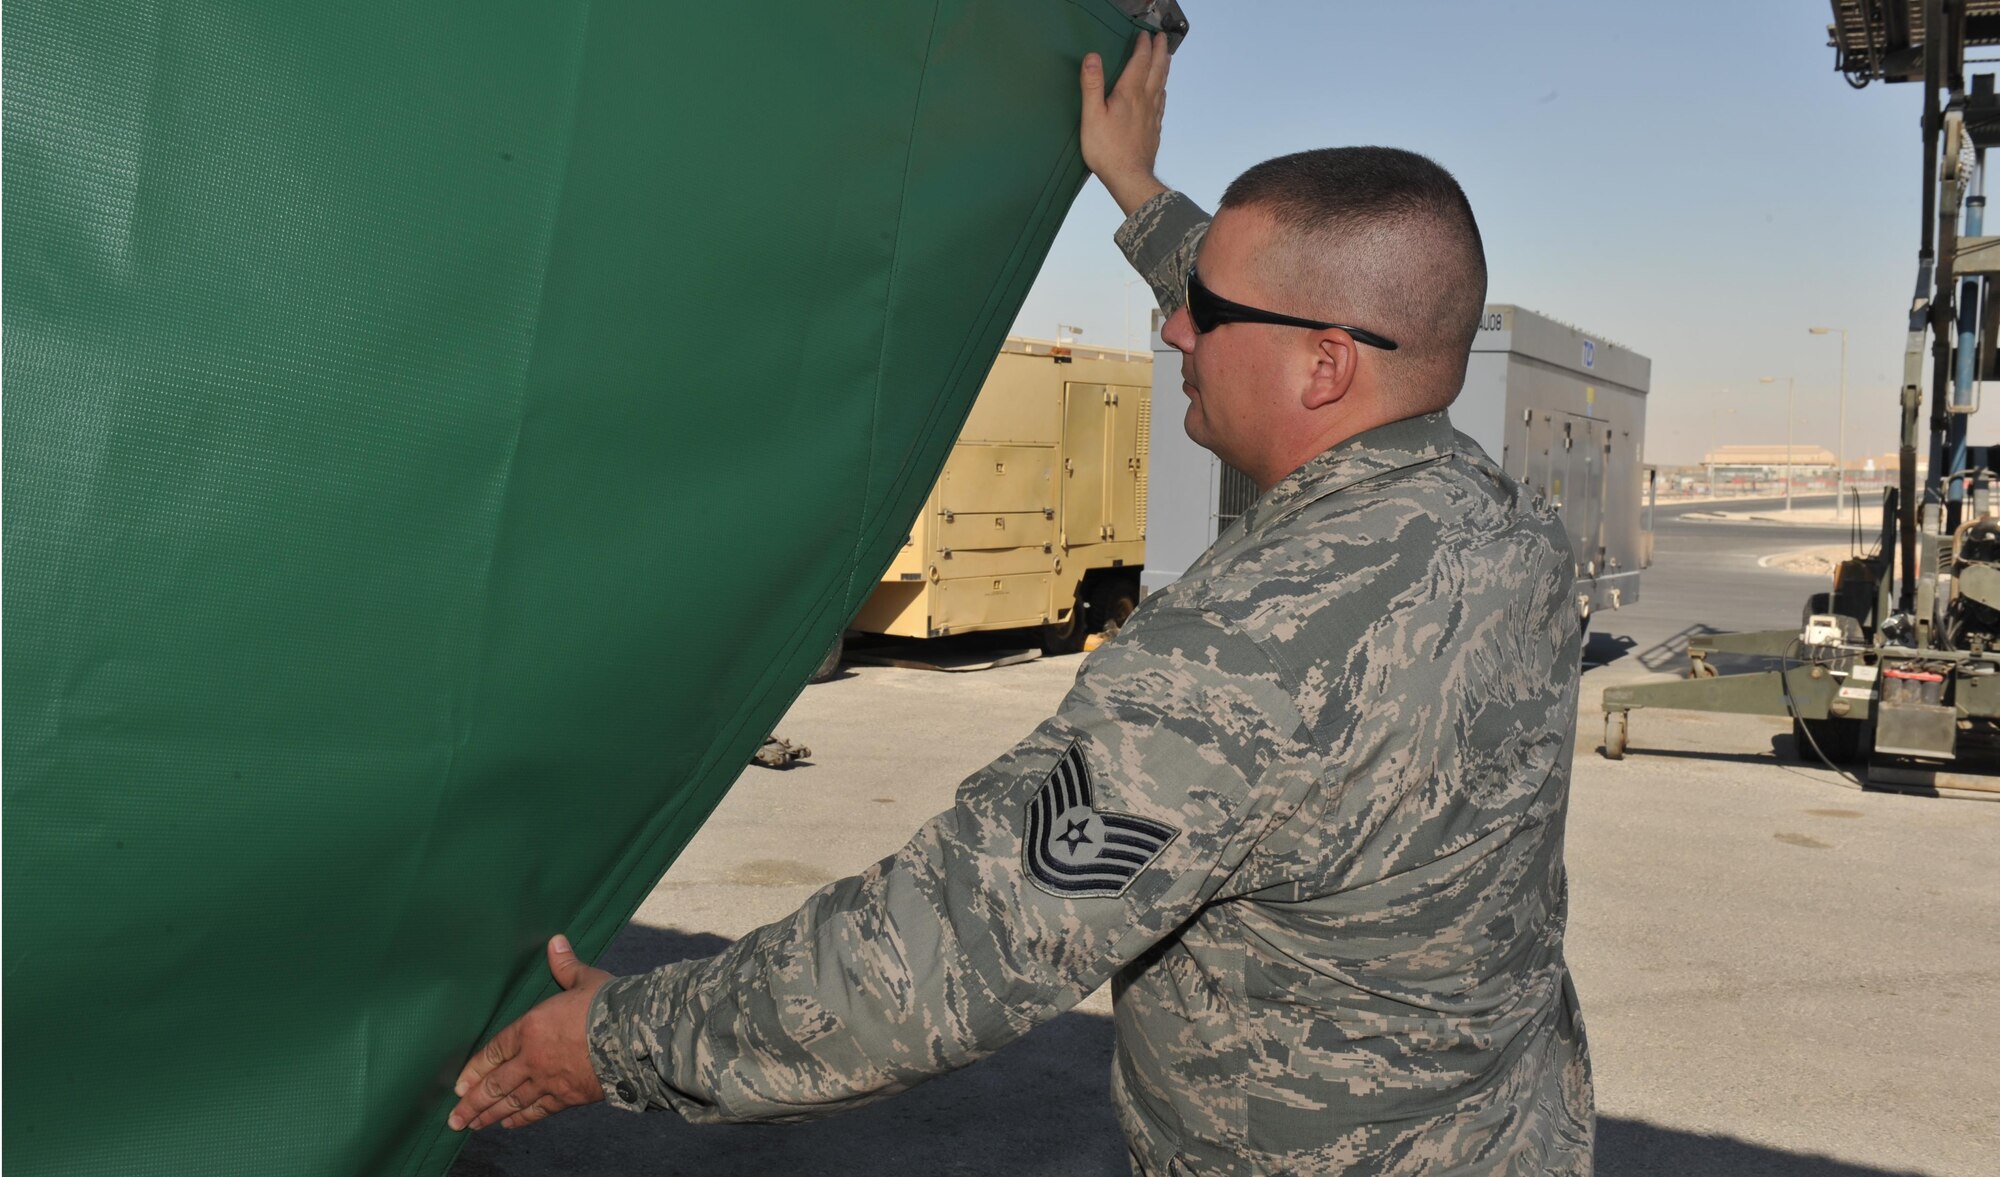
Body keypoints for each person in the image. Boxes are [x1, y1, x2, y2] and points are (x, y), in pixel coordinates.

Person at [447, 31, 1593, 1174]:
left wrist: (616, 1044)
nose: (1174, 326)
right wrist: (1143, 203)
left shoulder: (1254, 656)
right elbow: (1299, 301)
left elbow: (940, 952)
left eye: (1203, 309)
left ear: (1325, 368)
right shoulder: (1499, 534)